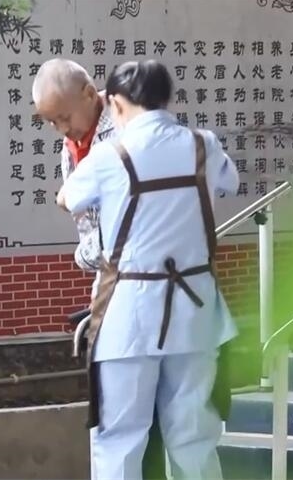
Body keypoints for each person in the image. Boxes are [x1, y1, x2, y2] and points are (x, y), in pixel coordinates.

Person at [56, 60, 240, 479]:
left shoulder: (109, 155)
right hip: (195, 312)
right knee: (194, 436)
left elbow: (67, 198)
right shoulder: (203, 145)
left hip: (129, 317)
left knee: (120, 439)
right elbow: (230, 180)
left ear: (117, 104)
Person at [32, 58, 168, 479]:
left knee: (150, 424)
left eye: (64, 117)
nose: (61, 129)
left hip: (153, 287)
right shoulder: (73, 144)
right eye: (52, 122)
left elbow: (133, 225)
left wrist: (86, 255)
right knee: (115, 424)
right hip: (113, 290)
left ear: (91, 94)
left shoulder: (131, 129)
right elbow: (91, 226)